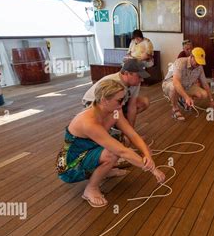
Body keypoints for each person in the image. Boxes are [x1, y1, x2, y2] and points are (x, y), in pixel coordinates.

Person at [57, 79, 165, 207]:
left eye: (123, 99)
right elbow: (121, 151)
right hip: (71, 165)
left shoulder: (114, 111)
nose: (122, 104)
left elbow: (132, 134)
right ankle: (90, 189)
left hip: (90, 149)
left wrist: (147, 154)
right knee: (112, 153)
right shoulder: (88, 122)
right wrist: (153, 169)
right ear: (104, 100)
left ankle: (104, 171)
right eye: (119, 100)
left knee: (122, 139)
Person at [83, 59, 149, 131]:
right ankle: (109, 127)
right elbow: (114, 108)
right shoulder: (115, 83)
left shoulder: (135, 83)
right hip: (93, 102)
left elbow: (132, 106)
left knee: (143, 102)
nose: (142, 80)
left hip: (115, 103)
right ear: (126, 73)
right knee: (115, 116)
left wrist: (131, 130)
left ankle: (118, 126)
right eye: (139, 76)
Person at [162, 47, 214, 121]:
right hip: (170, 83)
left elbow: (205, 84)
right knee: (174, 87)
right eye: (197, 61)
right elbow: (176, 82)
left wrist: (211, 100)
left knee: (203, 94)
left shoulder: (199, 67)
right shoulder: (180, 62)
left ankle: (182, 100)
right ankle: (175, 109)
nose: (198, 64)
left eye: (200, 62)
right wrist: (186, 97)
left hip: (186, 86)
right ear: (191, 56)